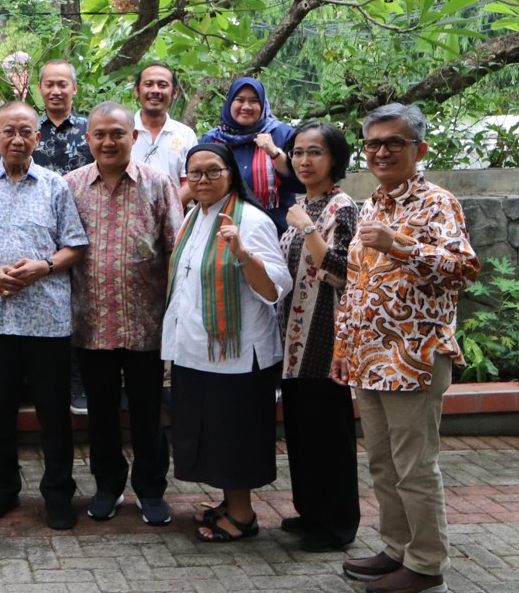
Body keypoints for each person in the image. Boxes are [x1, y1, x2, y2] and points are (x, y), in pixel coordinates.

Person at [334, 104, 480, 593]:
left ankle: (425, 564)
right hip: (369, 357)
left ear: (420, 149)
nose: (381, 151)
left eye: (393, 142)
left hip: (414, 357)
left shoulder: (438, 203)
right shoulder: (372, 203)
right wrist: (343, 346)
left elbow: (463, 268)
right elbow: (358, 283)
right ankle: (396, 547)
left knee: (416, 466)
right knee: (382, 461)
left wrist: (400, 245)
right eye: (373, 143)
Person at [0, 102, 88, 529]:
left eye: (26, 131)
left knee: (52, 413)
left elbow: (75, 245)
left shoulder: (55, 186)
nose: (17, 139)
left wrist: (43, 266)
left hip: (47, 319)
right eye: (8, 131)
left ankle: (58, 494)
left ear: (37, 139)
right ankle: (1, 489)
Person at [161, 143, 292, 544]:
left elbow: (275, 288)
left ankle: (242, 515)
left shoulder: (249, 220)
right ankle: (227, 503)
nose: (202, 180)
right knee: (211, 434)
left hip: (237, 353)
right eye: (194, 173)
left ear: (231, 174)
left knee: (234, 435)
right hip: (196, 349)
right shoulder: (193, 217)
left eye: (212, 172)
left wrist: (241, 253)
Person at [64, 102, 182, 526]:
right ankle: (108, 486)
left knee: (149, 412)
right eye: (100, 134)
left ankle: (151, 490)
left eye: (117, 133)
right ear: (88, 138)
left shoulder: (158, 184)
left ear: (133, 136)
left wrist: (173, 312)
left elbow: (175, 248)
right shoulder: (71, 185)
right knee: (101, 412)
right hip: (90, 322)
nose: (109, 141)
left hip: (145, 323)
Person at [276, 121, 360, 553]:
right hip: (294, 341)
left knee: (330, 436)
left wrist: (308, 229)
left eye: (315, 152)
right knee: (303, 432)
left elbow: (346, 270)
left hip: (327, 341)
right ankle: (311, 512)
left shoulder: (342, 207)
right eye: (298, 152)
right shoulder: (303, 205)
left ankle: (338, 525)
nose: (305, 160)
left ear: (335, 159)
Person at [31, 58, 93, 413]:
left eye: (62, 84)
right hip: (39, 236)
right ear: (40, 88)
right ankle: (48, 383)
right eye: (49, 84)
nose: (56, 90)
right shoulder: (29, 129)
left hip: (85, 234)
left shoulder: (90, 130)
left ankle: (81, 382)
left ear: (74, 88)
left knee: (84, 308)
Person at [201, 77, 302, 232]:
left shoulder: (282, 134)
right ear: (229, 103)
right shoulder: (212, 140)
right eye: (240, 100)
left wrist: (274, 153)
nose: (246, 106)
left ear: (263, 104)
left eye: (254, 101)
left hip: (274, 231)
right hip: (222, 230)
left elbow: (299, 182)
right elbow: (199, 187)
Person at [130, 63, 196, 206]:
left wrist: (164, 211)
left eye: (163, 85)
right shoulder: (123, 131)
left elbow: (190, 184)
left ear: (174, 93)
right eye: (148, 84)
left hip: (173, 220)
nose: (155, 90)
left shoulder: (185, 135)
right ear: (136, 90)